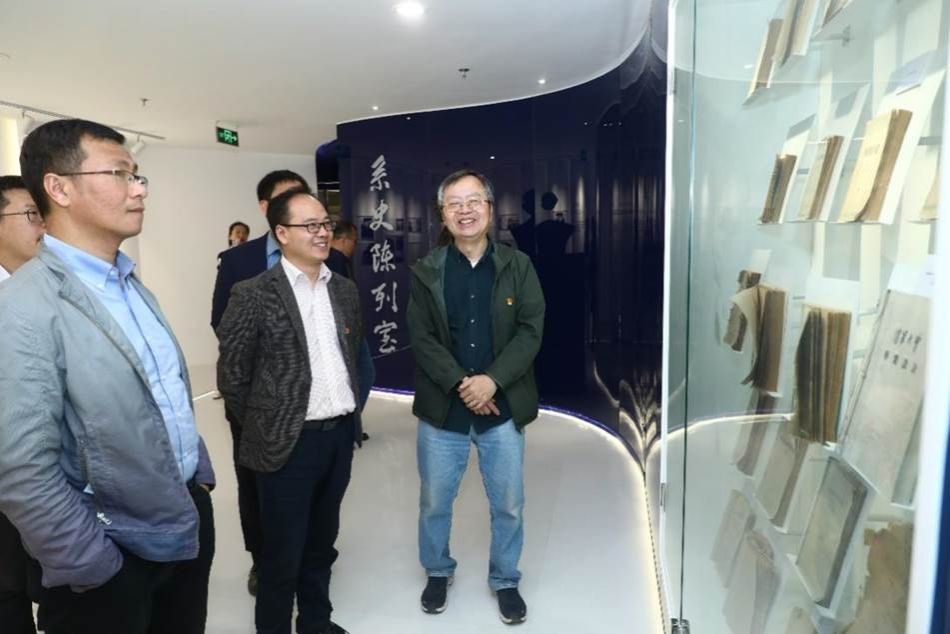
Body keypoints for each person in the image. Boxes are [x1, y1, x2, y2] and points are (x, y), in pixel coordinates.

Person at [0, 118, 216, 634]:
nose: (138, 189)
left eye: (137, 175)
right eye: (119, 173)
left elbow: (163, 393)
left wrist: (199, 477)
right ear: (59, 188)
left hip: (181, 519)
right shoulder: (23, 307)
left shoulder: (130, 284)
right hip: (108, 555)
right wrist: (90, 563)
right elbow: (22, 466)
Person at [217, 188, 362, 634]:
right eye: (310, 225)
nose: (322, 233)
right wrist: (269, 428)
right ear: (281, 233)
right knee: (281, 557)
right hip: (286, 447)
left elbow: (352, 357)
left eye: (326, 225)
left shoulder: (344, 290)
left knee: (322, 547)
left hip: (338, 438)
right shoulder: (253, 294)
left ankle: (317, 623)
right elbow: (232, 377)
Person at [407, 169, 545, 624]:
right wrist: (463, 385)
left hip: (502, 408)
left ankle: (505, 578)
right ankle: (437, 571)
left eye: (473, 201)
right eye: (454, 203)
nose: (464, 210)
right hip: (442, 408)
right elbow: (422, 337)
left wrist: (492, 381)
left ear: (489, 207)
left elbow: (530, 331)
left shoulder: (518, 266)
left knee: (508, 503)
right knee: (434, 502)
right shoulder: (427, 271)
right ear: (442, 214)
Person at [210, 169, 310, 595]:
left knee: (308, 480)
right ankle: (263, 559)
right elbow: (221, 322)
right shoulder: (238, 261)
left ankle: (306, 555)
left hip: (314, 400)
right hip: (256, 400)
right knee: (255, 484)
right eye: (286, 199)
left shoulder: (326, 255)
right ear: (266, 209)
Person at [0, 175, 46, 634]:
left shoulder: (50, 284)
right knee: (8, 589)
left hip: (48, 472)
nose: (42, 224)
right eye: (30, 214)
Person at [327, 219, 375, 428]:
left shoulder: (330, 258)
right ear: (344, 240)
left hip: (344, 328)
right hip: (346, 330)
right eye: (354, 241)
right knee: (364, 373)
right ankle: (351, 425)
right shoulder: (336, 259)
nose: (355, 247)